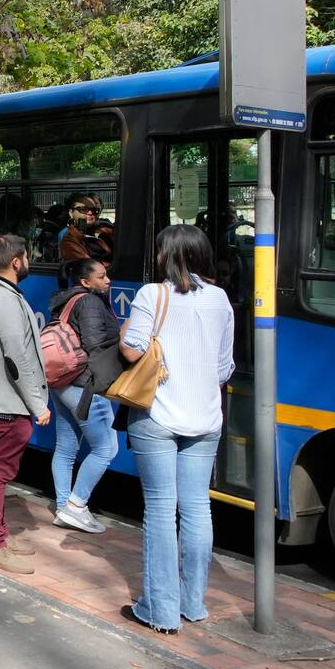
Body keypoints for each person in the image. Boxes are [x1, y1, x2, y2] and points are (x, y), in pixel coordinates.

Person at [119, 224, 233, 634]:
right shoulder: (221, 299)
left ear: (165, 255)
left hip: (159, 416)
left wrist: (125, 334)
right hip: (206, 418)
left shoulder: (153, 294)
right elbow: (224, 368)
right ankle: (193, 603)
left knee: (161, 511)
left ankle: (160, 610)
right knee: (198, 508)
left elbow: (132, 350)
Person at [0, 234, 52, 574]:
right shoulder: (4, 301)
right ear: (16, 261)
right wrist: (38, 405)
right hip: (6, 403)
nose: (29, 261)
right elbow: (16, 359)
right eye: (27, 256)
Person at [46, 258, 122, 534]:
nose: (108, 281)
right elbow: (95, 344)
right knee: (106, 448)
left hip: (62, 383)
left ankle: (63, 507)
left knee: (66, 447)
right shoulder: (89, 302)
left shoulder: (66, 300)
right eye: (101, 277)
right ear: (85, 282)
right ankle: (76, 507)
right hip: (84, 385)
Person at [60, 194, 113, 267]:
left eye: (94, 210)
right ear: (71, 213)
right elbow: (89, 267)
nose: (90, 213)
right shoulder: (70, 240)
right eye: (83, 209)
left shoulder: (104, 230)